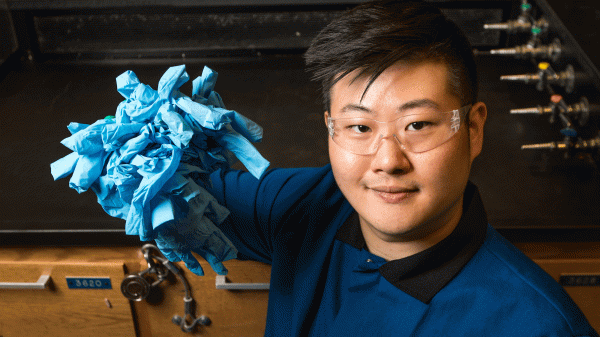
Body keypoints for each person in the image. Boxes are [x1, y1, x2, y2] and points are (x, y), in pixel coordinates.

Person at [162, 0, 600, 335]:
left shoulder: (535, 323)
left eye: (418, 124)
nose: (388, 161)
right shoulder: (307, 204)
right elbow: (167, 191)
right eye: (358, 126)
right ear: (331, 130)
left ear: (474, 128)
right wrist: (149, 144)